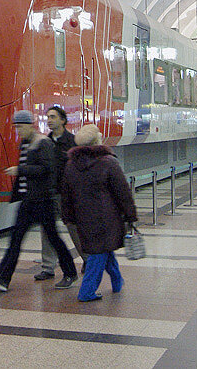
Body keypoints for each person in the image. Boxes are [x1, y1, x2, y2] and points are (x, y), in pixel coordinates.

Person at [0, 110, 77, 293]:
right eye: (16, 127)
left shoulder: (42, 143)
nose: (18, 131)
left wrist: (20, 170)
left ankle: (70, 271)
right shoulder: (26, 143)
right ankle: (3, 278)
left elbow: (46, 169)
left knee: (54, 239)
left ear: (30, 125)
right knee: (16, 240)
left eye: (20, 127)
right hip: (28, 201)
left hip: (43, 201)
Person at [61, 124, 137, 301]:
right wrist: (131, 215)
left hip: (82, 218)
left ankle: (117, 280)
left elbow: (66, 194)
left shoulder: (71, 165)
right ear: (98, 140)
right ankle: (86, 292)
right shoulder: (109, 162)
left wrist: (68, 217)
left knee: (103, 249)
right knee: (98, 254)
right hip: (107, 217)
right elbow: (122, 192)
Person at [39, 105, 78, 280]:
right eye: (48, 117)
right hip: (49, 192)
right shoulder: (45, 142)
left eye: (53, 117)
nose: (49, 120)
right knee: (47, 230)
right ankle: (48, 267)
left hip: (67, 193)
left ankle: (87, 258)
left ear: (63, 120)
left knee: (74, 228)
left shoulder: (72, 142)